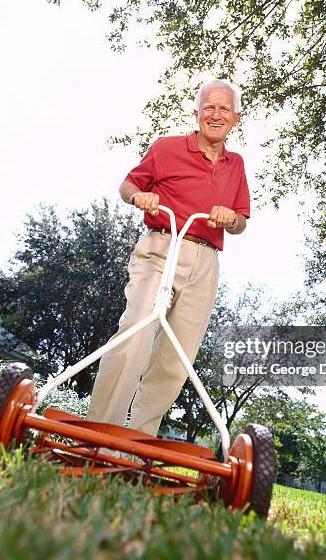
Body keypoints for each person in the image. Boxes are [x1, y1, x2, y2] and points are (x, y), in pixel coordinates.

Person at [87, 79, 250, 437]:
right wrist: (139, 199)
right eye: (209, 107)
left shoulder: (236, 165)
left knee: (177, 359)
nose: (216, 114)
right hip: (162, 246)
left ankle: (138, 438)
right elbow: (128, 185)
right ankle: (100, 432)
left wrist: (230, 218)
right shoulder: (166, 148)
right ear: (196, 113)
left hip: (205, 261)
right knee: (135, 334)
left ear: (235, 118)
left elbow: (240, 221)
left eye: (224, 109)